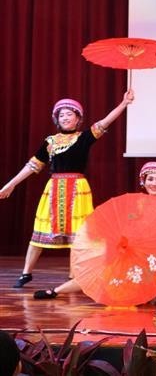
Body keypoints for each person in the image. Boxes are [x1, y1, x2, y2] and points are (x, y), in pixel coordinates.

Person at [0, 91, 134, 288]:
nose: (65, 118)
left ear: (78, 118)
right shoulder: (50, 142)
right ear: (57, 119)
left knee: (79, 234)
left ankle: (75, 275)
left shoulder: (84, 138)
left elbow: (104, 123)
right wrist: (10, 184)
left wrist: (123, 104)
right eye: (61, 115)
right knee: (40, 231)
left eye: (69, 114)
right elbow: (33, 165)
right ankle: (26, 272)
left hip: (78, 190)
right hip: (54, 188)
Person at [33, 161, 156, 302]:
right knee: (102, 271)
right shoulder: (135, 203)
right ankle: (55, 291)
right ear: (144, 181)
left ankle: (154, 289)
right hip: (135, 252)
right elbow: (125, 230)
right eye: (150, 179)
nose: (153, 183)